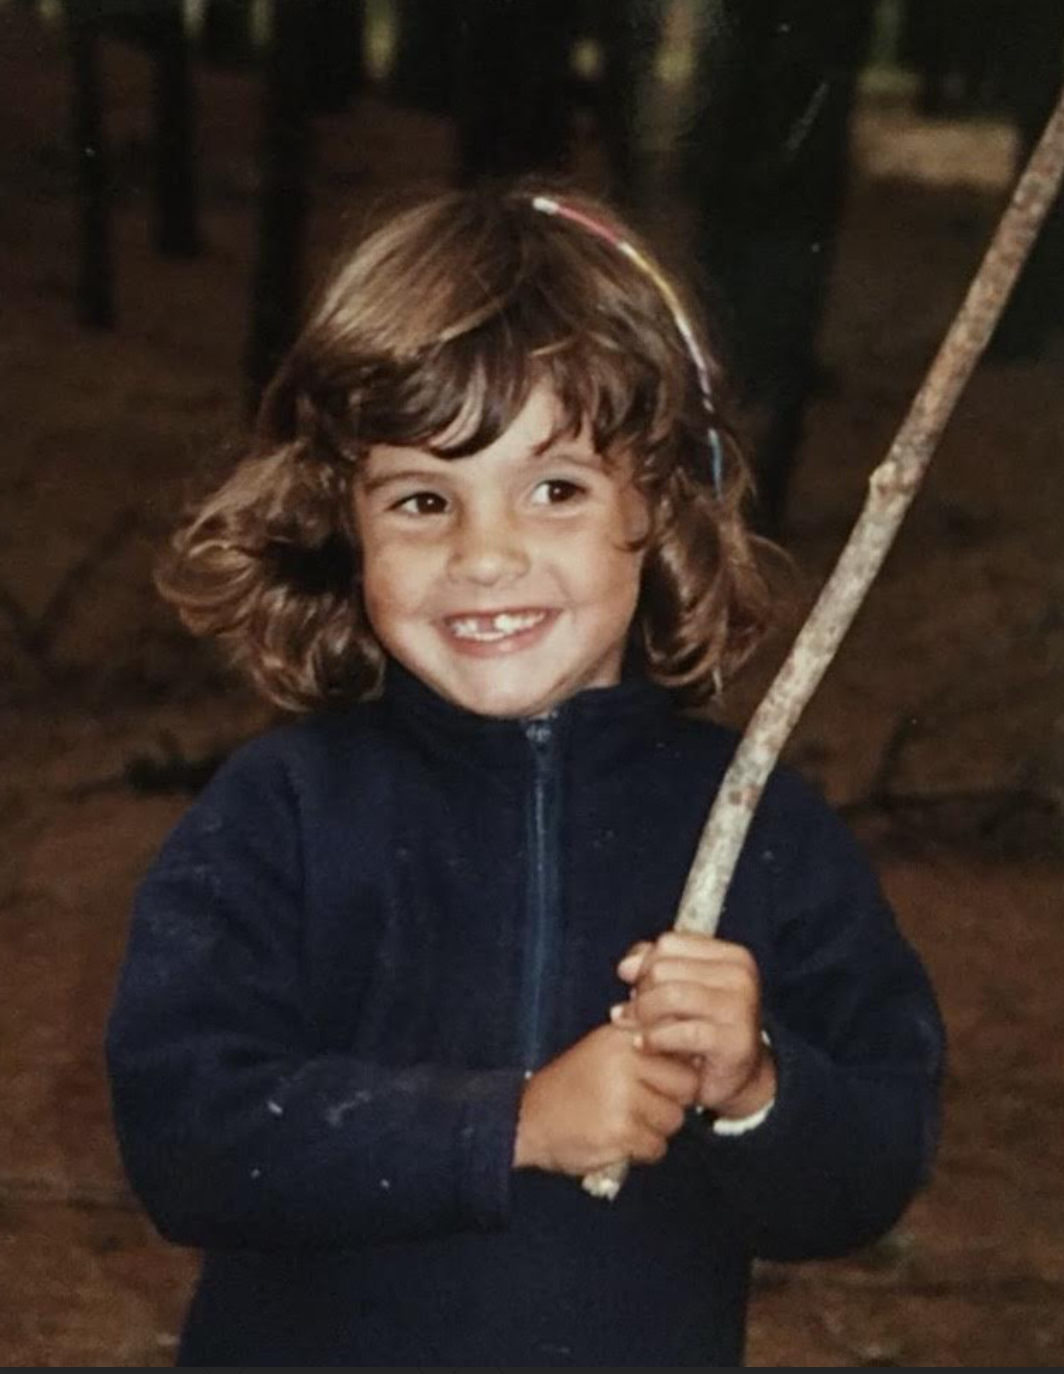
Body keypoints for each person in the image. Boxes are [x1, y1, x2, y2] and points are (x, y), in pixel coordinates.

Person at [105, 185, 944, 1367]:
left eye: (555, 489)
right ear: (346, 527)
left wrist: (756, 1086)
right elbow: (186, 1135)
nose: (485, 555)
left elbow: (872, 1161)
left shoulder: (759, 825)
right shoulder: (282, 813)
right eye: (422, 500)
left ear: (659, 506)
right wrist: (508, 1125)